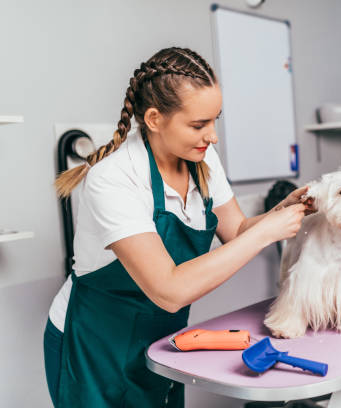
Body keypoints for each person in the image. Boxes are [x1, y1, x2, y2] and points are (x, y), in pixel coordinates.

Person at [44, 47, 311, 407]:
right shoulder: (114, 177)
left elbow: (237, 230)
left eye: (215, 120)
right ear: (154, 119)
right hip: (94, 344)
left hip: (160, 338)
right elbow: (168, 289)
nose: (212, 136)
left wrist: (285, 210)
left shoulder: (201, 159)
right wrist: (269, 232)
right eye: (199, 125)